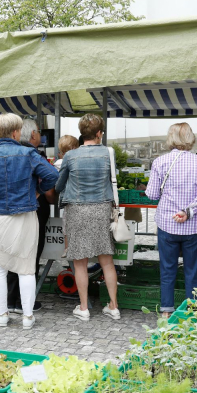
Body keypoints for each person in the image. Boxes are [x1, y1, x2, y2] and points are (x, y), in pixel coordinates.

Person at [0, 113, 58, 329]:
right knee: (26, 266)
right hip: (24, 216)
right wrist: (35, 191)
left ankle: (2, 315)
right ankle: (28, 317)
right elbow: (53, 176)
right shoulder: (29, 153)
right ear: (16, 132)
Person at [56, 114, 120, 321]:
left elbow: (59, 186)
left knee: (80, 262)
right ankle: (113, 306)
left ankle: (83, 308)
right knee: (107, 261)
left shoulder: (70, 156)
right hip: (101, 209)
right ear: (99, 133)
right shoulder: (107, 153)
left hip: (77, 210)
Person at [146, 123, 197, 318]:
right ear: (191, 138)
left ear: (171, 138)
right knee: (193, 270)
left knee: (167, 269)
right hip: (193, 225)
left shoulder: (160, 162)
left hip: (167, 223)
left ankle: (167, 311)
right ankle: (193, 312)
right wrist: (188, 211)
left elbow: (151, 194)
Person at [6, 118, 55, 315]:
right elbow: (52, 179)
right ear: (33, 135)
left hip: (10, 210)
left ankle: (10, 300)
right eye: (38, 132)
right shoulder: (34, 156)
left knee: (12, 255)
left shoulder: (5, 155)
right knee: (30, 257)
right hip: (33, 211)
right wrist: (39, 191)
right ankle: (25, 302)